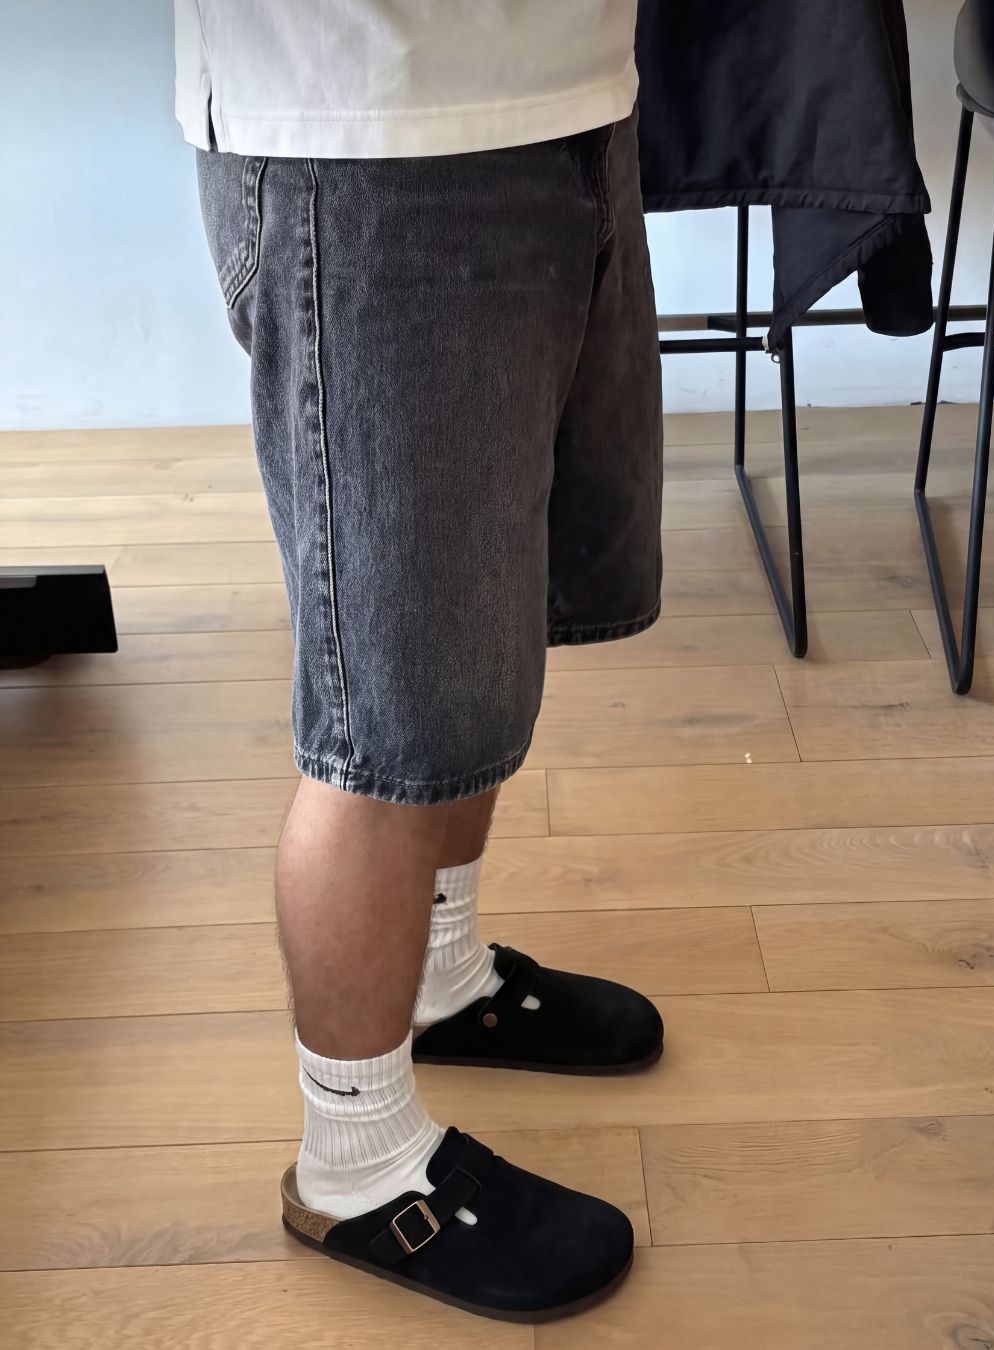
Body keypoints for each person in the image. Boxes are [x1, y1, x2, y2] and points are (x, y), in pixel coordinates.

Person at [176, 0, 664, 1323]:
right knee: (386, 715)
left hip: (568, 95)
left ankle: (442, 977)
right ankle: (356, 1160)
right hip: (372, 127)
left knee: (468, 643)